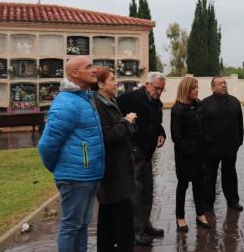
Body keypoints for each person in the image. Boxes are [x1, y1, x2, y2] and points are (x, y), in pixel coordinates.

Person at [37, 56, 104, 252]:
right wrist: (60, 169)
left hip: (89, 174)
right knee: (70, 226)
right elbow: (46, 145)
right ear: (74, 74)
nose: (94, 70)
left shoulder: (84, 96)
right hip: (75, 177)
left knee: (82, 224)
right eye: (89, 67)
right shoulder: (66, 102)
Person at [117, 71, 166, 246]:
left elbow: (157, 124)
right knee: (135, 195)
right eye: (156, 88)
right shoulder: (128, 98)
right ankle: (136, 232)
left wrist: (161, 133)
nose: (158, 92)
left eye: (162, 89)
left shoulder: (156, 103)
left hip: (147, 154)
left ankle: (145, 225)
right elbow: (117, 120)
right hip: (133, 153)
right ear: (147, 84)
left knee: (147, 192)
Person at [92, 67, 137, 251]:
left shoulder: (110, 101)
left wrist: (129, 125)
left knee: (109, 215)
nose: (116, 81)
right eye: (112, 79)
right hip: (112, 171)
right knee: (121, 218)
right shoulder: (98, 105)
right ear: (101, 84)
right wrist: (126, 122)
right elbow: (107, 136)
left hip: (118, 169)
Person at [170, 76, 211, 231]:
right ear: (186, 89)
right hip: (185, 156)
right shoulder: (178, 109)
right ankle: (180, 217)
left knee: (200, 185)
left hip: (200, 154)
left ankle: (200, 214)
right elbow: (176, 135)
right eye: (194, 88)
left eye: (197, 87)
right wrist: (188, 151)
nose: (197, 90)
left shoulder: (198, 105)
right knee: (183, 186)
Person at [201, 77, 244, 212]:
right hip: (211, 148)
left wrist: (238, 141)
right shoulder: (205, 103)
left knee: (230, 174)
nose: (224, 85)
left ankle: (233, 201)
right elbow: (200, 126)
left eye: (224, 83)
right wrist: (205, 143)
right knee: (209, 176)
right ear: (213, 88)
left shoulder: (234, 101)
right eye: (220, 84)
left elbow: (240, 123)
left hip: (230, 146)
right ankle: (207, 203)